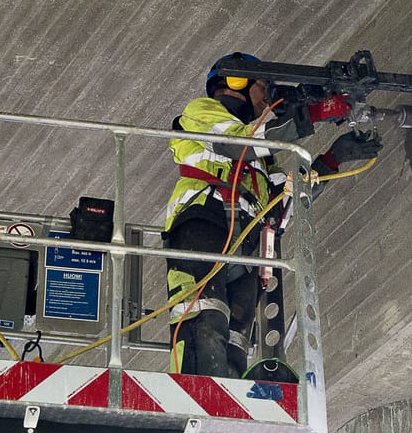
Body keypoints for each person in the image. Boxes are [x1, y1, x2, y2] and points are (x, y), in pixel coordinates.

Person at [162, 52, 382, 378]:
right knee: (205, 324)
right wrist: (318, 112)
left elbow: (283, 207)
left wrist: (332, 159)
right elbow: (242, 142)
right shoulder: (202, 112)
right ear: (237, 81)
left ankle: (226, 417)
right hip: (204, 223)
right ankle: (194, 400)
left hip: (249, 245)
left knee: (236, 344)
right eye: (263, 86)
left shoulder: (264, 163)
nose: (267, 96)